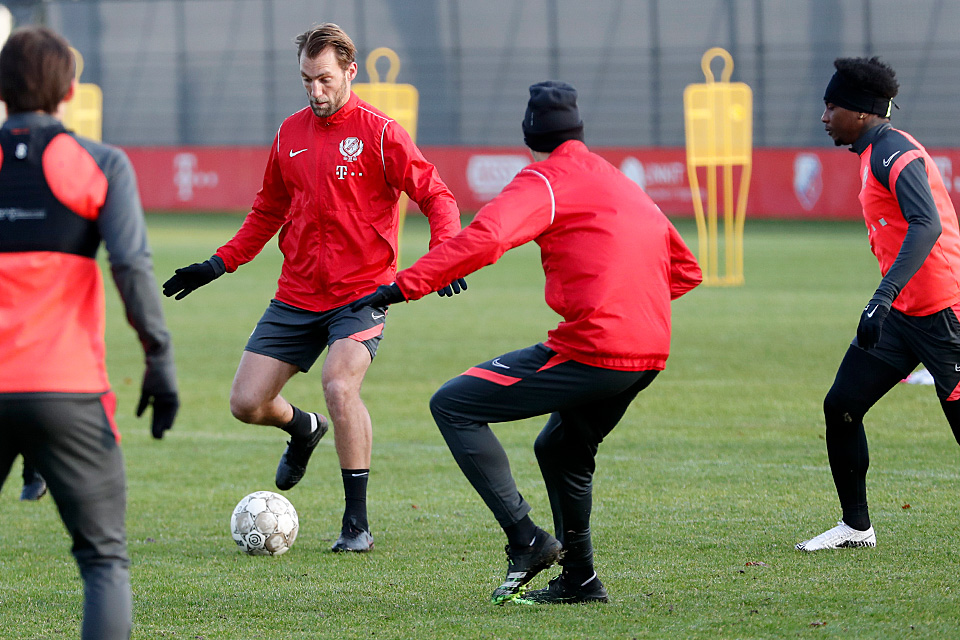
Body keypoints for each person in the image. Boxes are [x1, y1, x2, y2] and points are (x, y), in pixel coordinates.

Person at [352, 81, 702, 603]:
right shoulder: (618, 180)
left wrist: (402, 286)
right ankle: (580, 581)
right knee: (561, 449)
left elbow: (488, 237)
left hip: (596, 348)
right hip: (649, 351)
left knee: (453, 404)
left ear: (530, 135)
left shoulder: (545, 180)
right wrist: (631, 308)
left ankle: (527, 539)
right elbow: (686, 269)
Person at [162, 23, 464, 552]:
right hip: (297, 294)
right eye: (306, 80)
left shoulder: (381, 133)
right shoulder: (290, 134)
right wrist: (217, 264)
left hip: (362, 293)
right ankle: (304, 428)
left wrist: (446, 254)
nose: (315, 91)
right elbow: (267, 211)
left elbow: (436, 196)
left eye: (325, 79)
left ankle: (356, 524)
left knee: (339, 384)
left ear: (350, 71)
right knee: (246, 403)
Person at [0, 26, 179, 640]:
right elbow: (131, 267)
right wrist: (159, 360)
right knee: (103, 562)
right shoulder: (101, 164)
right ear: (71, 90)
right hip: (68, 392)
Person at [797, 57, 960, 551]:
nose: (824, 117)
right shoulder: (873, 152)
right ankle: (856, 528)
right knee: (842, 405)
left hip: (944, 313)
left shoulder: (893, 151)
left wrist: (881, 296)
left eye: (832, 107)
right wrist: (889, 301)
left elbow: (927, 225)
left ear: (862, 111)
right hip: (904, 314)